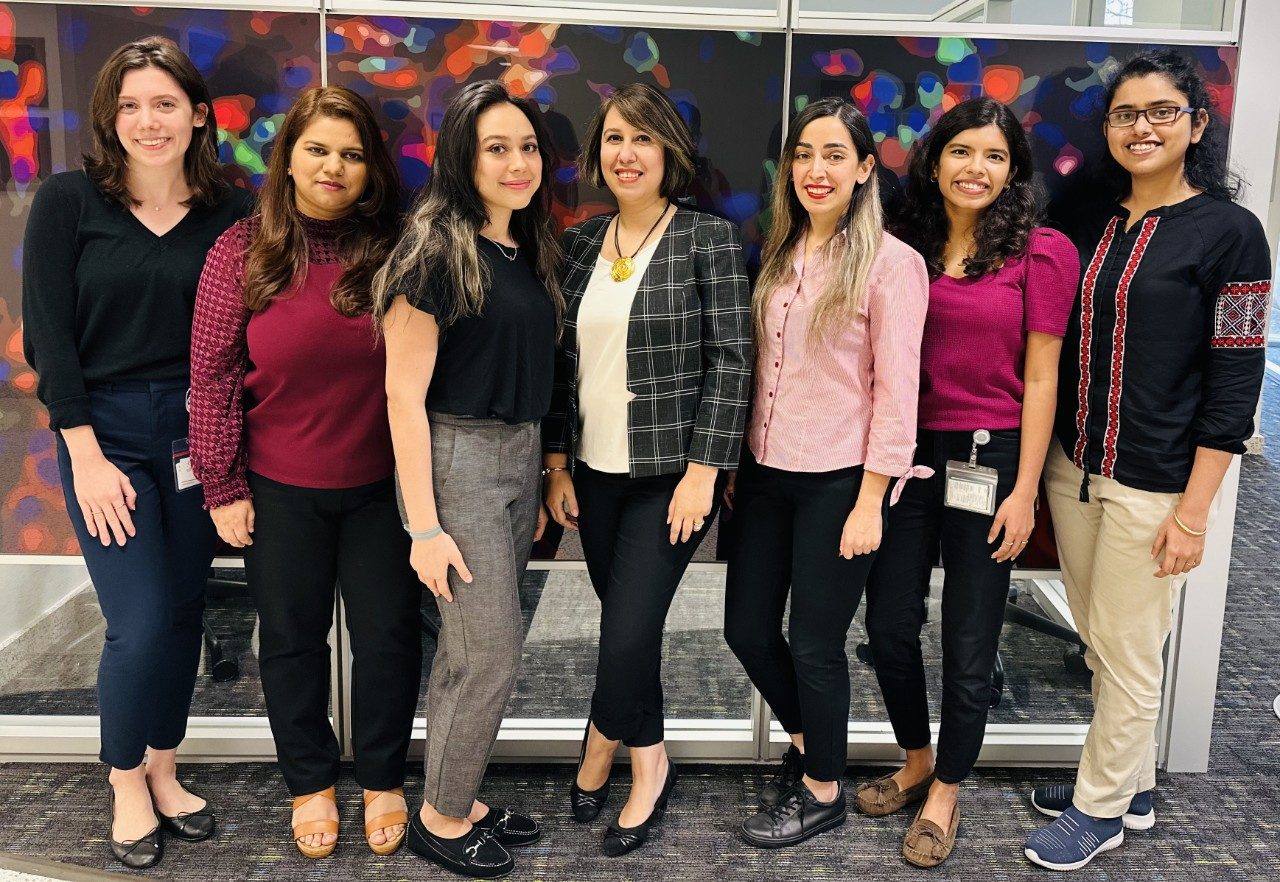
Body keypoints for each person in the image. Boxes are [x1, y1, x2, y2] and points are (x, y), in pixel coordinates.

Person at [1023, 48, 1271, 871]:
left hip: (1156, 484)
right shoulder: (1091, 220)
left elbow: (1237, 382)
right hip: (1074, 470)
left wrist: (1194, 513)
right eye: (1126, 113)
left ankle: (1100, 810)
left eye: (1163, 111)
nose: (1142, 127)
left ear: (1196, 123)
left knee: (1130, 652)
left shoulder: (1236, 236)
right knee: (1100, 640)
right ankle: (1127, 782)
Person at [20, 36, 252, 869]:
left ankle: (163, 765)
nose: (147, 122)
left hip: (200, 435)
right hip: (105, 437)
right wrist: (83, 454)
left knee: (187, 612)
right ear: (108, 119)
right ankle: (122, 774)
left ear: (197, 115)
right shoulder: (68, 202)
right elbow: (49, 338)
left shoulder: (234, 213)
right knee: (141, 621)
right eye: (129, 106)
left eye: (163, 104)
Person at [188, 86, 419, 860]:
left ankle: (384, 778)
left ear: (370, 170)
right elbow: (213, 374)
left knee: (388, 640)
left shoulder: (396, 248)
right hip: (279, 487)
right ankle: (311, 784)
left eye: (351, 155)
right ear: (287, 157)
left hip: (383, 490)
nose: (334, 166)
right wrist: (221, 486)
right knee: (290, 642)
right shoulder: (240, 250)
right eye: (318, 149)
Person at [852, 97, 1079, 867]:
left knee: (972, 637)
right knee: (887, 625)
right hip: (905, 453)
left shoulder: (1042, 253)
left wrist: (1025, 493)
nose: (975, 169)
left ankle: (947, 788)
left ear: (1012, 171)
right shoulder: (897, 243)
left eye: (993, 156)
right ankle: (915, 757)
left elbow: (1045, 379)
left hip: (994, 457)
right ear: (935, 160)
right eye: (961, 152)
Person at [542, 82, 752, 857]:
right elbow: (561, 364)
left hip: (670, 475)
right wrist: (556, 462)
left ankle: (624, 754)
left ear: (671, 153)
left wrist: (706, 470)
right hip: (593, 473)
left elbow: (733, 362)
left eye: (643, 139)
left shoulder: (709, 241)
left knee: (628, 633)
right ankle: (635, 744)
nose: (626, 153)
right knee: (624, 634)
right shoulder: (578, 243)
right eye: (614, 139)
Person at [722, 96, 930, 849]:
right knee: (744, 628)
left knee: (814, 643)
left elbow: (895, 392)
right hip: (767, 473)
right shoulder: (779, 250)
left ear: (865, 168)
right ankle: (818, 745)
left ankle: (821, 790)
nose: (816, 169)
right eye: (805, 154)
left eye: (834, 154)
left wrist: (873, 500)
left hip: (841, 482)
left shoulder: (893, 265)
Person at [374, 80, 562, 880]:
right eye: (497, 147)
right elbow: (401, 397)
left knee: (467, 652)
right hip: (459, 461)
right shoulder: (433, 249)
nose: (518, 162)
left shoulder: (528, 246)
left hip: (517, 456)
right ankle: (441, 820)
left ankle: (455, 795)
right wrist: (423, 526)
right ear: (462, 155)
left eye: (527, 147)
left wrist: (545, 463)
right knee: (489, 653)